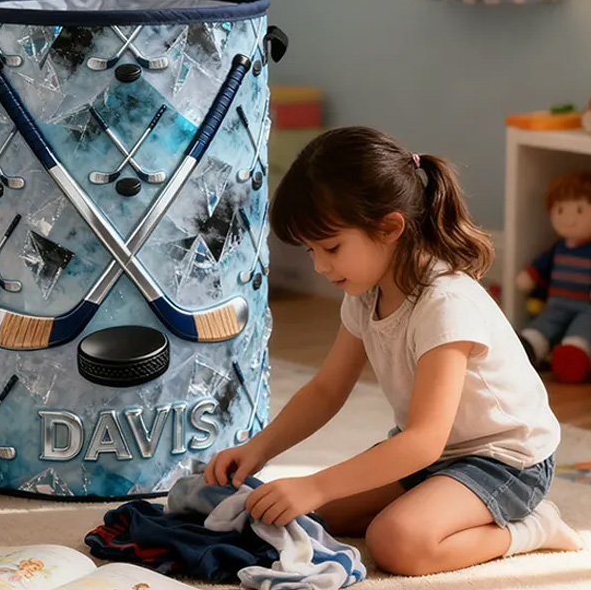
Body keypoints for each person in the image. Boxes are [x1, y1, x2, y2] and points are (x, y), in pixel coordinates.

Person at [205, 127, 583, 576]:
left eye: (331, 248)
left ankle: (533, 528)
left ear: (389, 227)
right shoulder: (366, 294)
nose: (320, 266)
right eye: (311, 251)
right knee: (314, 514)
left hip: (505, 460)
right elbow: (327, 389)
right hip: (437, 456)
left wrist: (316, 483)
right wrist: (259, 449)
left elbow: (423, 439)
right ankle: (437, 503)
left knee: (397, 543)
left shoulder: (446, 305)